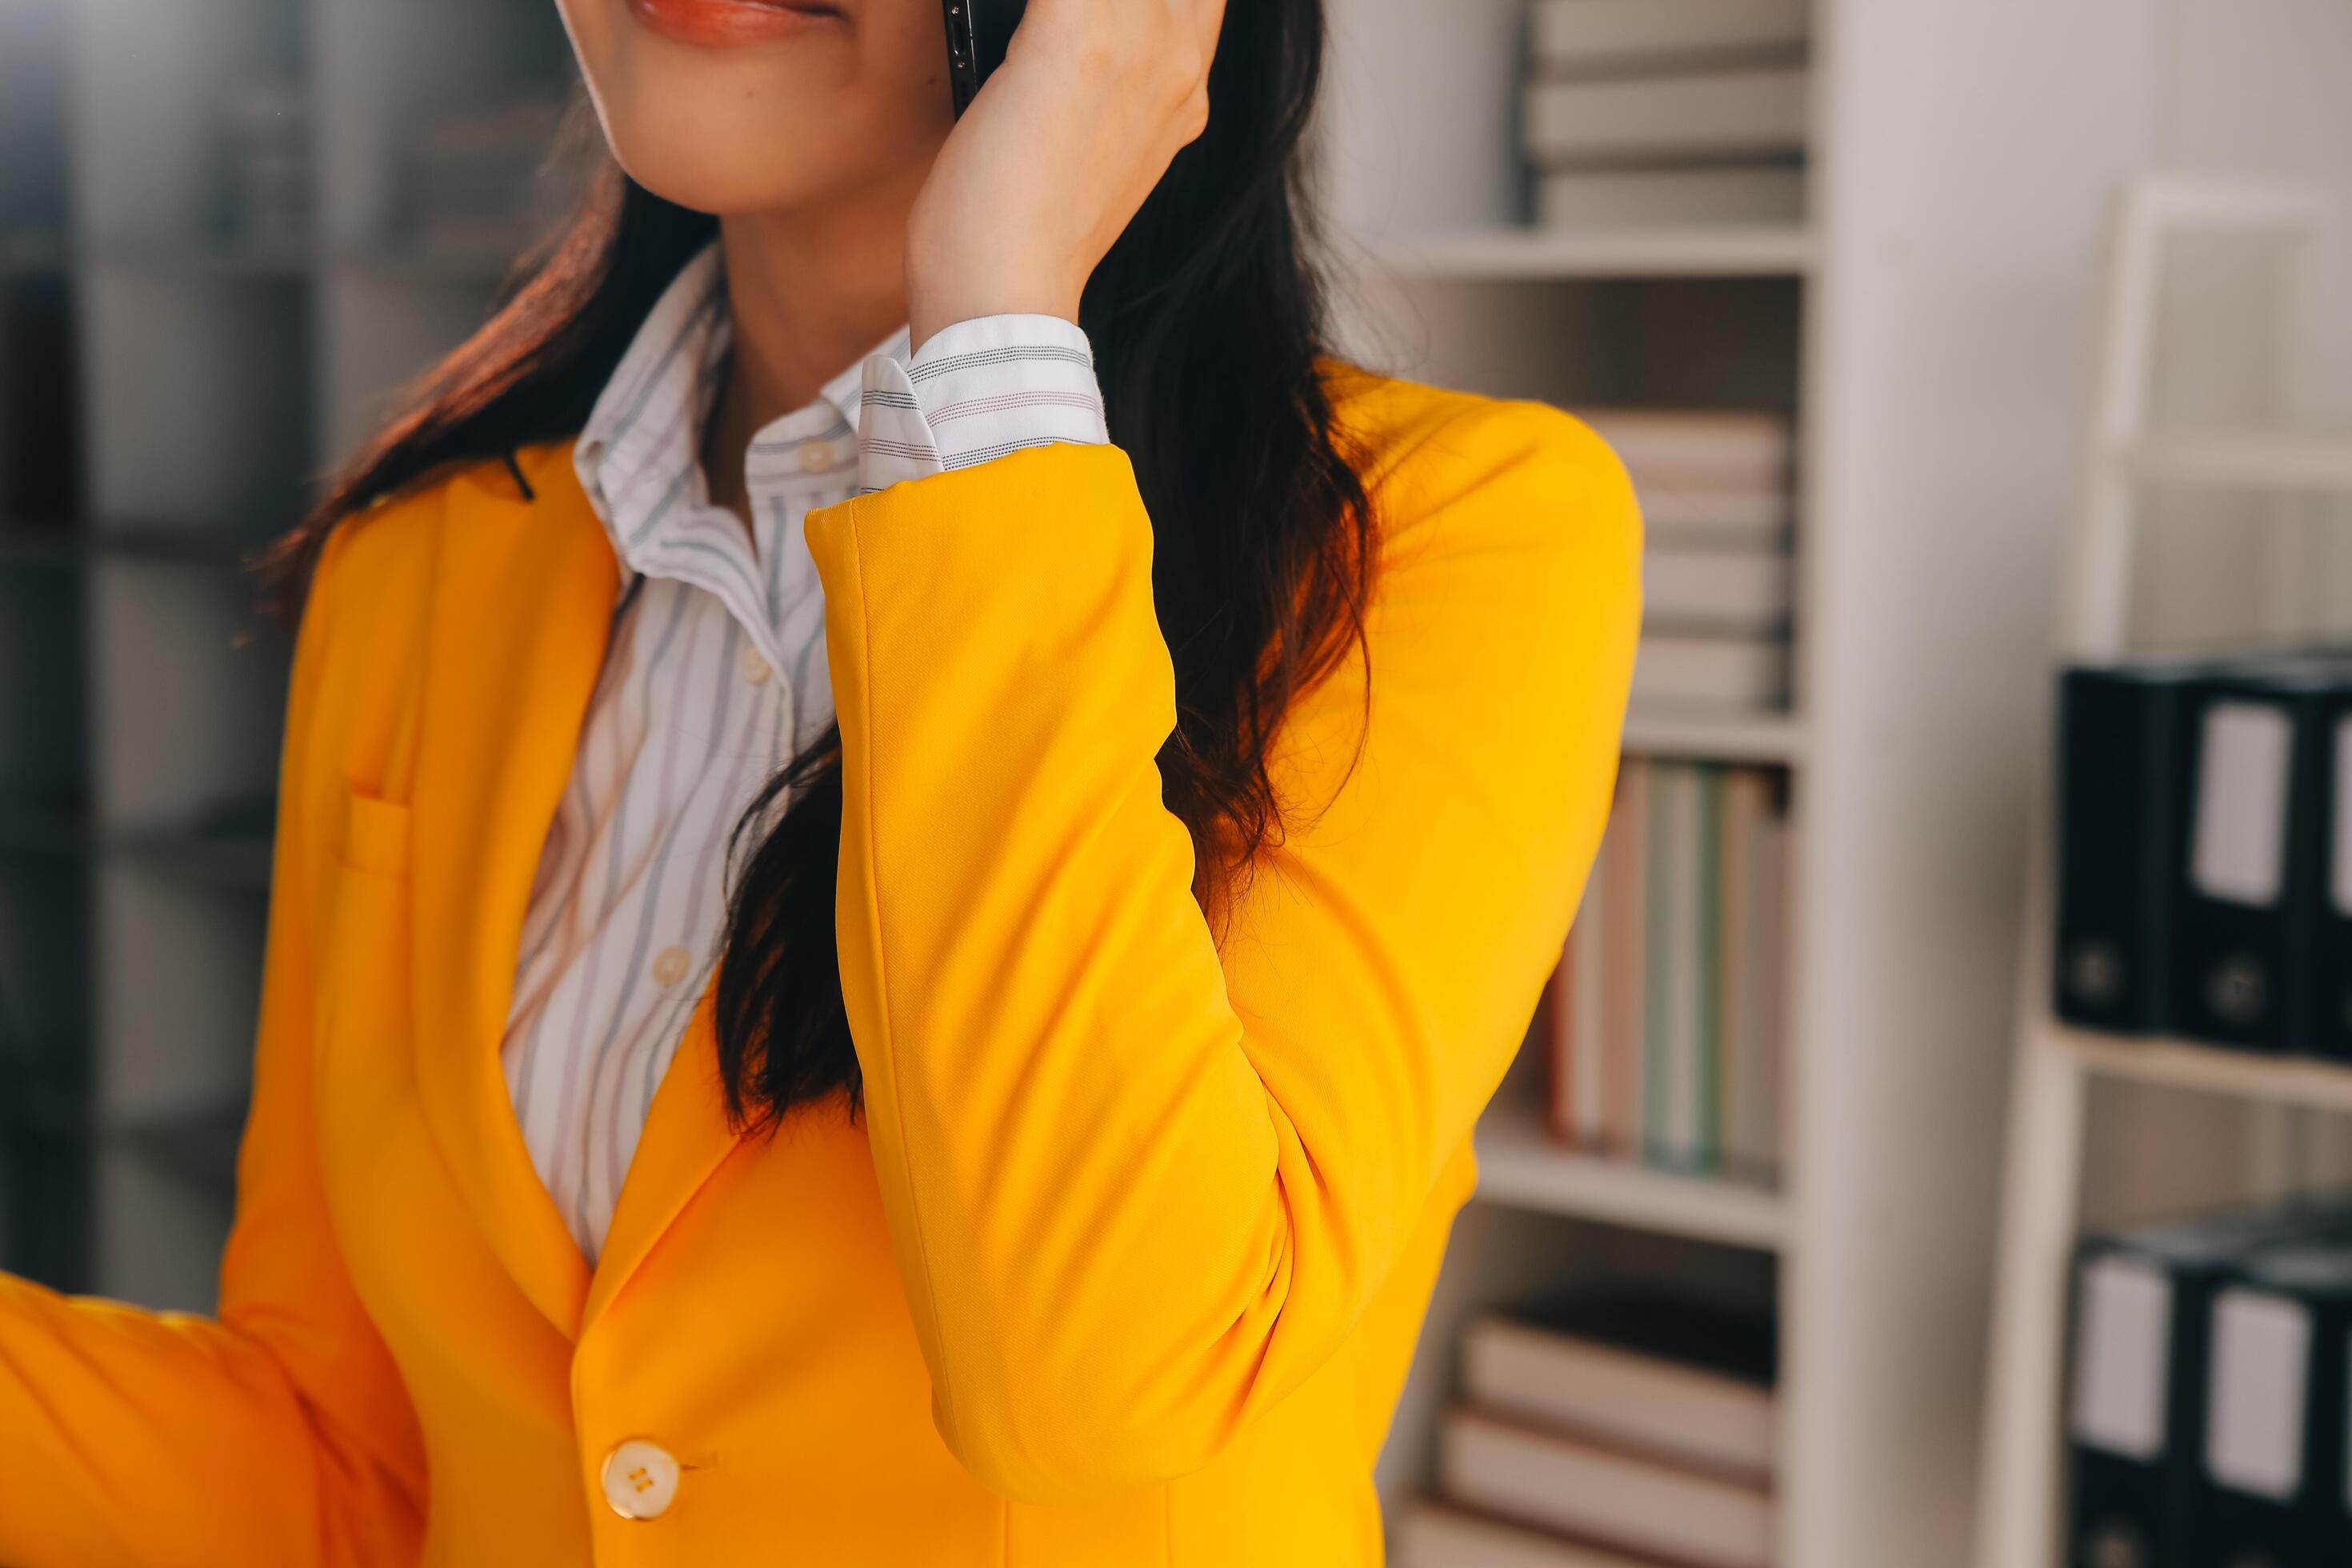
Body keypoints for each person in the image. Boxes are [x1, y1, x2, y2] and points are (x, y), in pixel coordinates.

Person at [0, 0, 1638, 1561]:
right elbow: (345, 1470)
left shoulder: (1444, 546)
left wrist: (995, 323)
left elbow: (1101, 1383)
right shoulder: (419, 562)